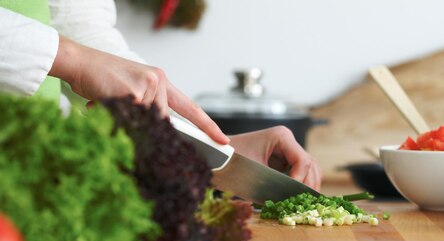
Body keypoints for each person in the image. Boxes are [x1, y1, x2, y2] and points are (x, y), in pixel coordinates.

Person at [0, 0, 321, 190]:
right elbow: (80, 57)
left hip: (30, 172)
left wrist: (210, 150)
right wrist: (74, 60)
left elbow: (78, 26)